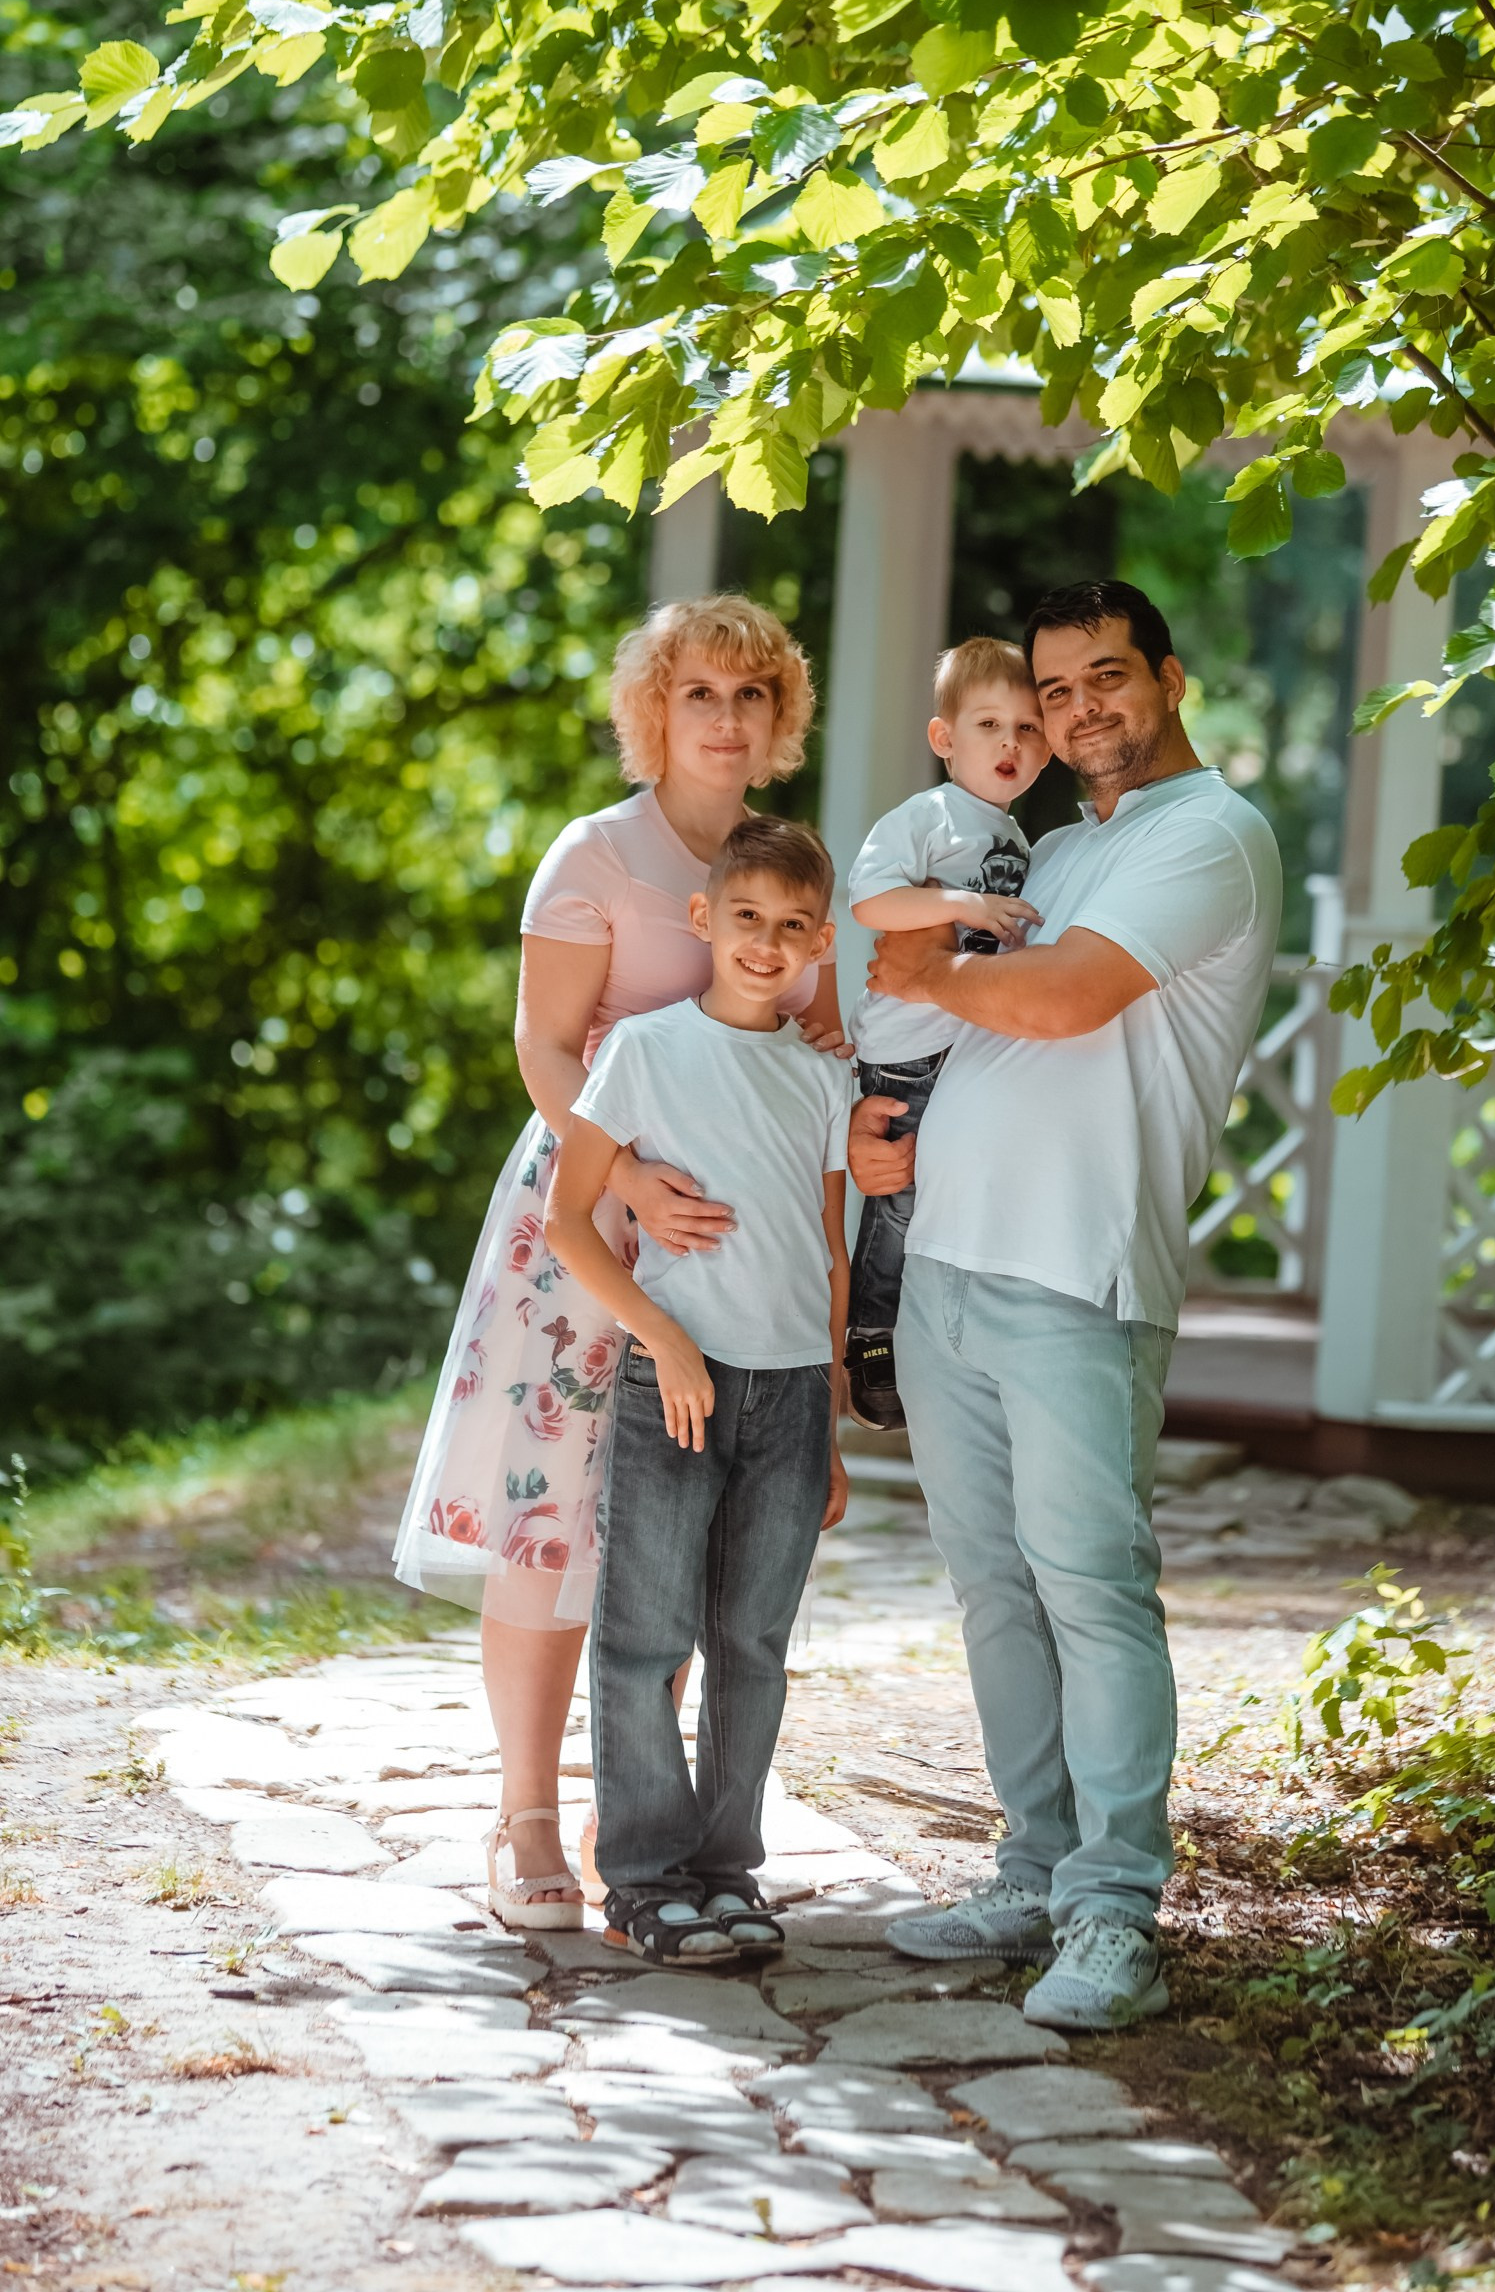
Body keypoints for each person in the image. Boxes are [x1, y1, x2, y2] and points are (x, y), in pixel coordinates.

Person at [856, 579, 1282, 2030]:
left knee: (1092, 1593)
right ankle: (1030, 1872)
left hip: (1077, 1279)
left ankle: (1112, 1916)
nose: (1077, 710)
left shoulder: (1210, 836)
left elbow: (1055, 1003)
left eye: (1105, 678)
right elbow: (908, 999)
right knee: (994, 1595)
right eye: (1050, 691)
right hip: (949, 1266)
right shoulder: (1051, 845)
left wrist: (925, 964)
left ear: (1163, 679)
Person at [391, 595, 846, 1931]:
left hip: (732, 1251)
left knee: (683, 1540)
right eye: (698, 692)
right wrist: (634, 1180)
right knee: (557, 1521)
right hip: (588, 1225)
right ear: (654, 707)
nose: (724, 716)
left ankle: (636, 1812)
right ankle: (525, 1814)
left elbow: (801, 1050)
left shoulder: (784, 869)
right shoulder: (590, 858)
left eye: (749, 694)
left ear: (778, 717)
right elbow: (543, 1050)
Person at [545, 818, 851, 1966]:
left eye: (789, 927)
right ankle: (643, 1877)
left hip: (787, 1397)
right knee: (643, 1636)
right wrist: (664, 1339)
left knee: (753, 1645)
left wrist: (826, 1431)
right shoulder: (645, 1051)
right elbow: (571, 1220)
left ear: (818, 940)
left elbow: (827, 1256)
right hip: (674, 1385)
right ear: (703, 920)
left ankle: (726, 1871)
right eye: (746, 919)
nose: (765, 945)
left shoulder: (822, 1075)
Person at [841, 638, 1048, 1429]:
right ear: (944, 739)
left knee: (954, 1199)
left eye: (1028, 729)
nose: (1009, 743)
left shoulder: (1021, 842)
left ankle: (945, 1345)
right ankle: (871, 1336)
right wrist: (959, 908)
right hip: (907, 1052)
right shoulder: (927, 817)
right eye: (989, 724)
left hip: (970, 1046)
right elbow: (871, 903)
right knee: (899, 1200)